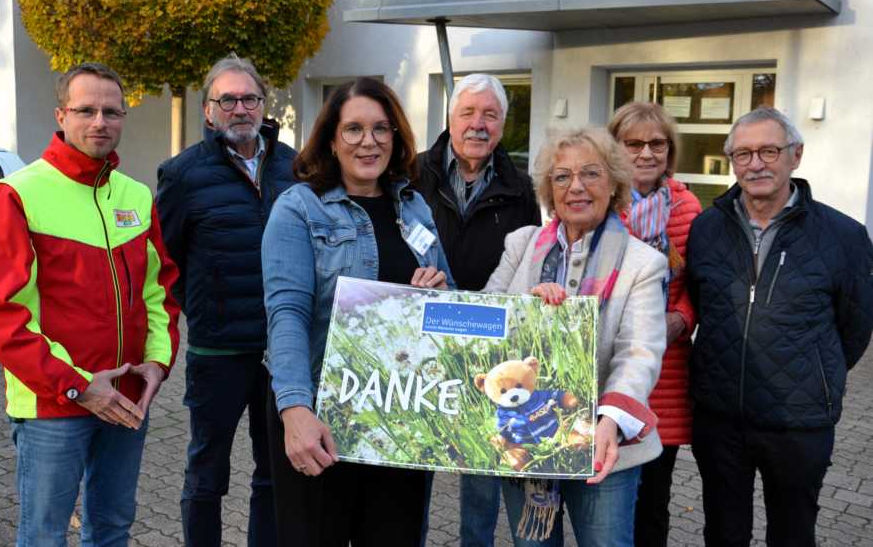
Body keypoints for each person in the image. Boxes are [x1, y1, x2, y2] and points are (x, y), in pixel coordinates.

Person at [0, 62, 180, 546]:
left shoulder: (135, 194)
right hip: (55, 402)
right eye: (86, 110)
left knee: (112, 528)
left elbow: (158, 290)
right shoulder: (17, 194)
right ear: (61, 115)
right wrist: (78, 386)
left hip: (128, 396)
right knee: (45, 535)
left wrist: (157, 363)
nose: (100, 122)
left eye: (112, 111)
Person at [262, 77, 455, 546]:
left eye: (381, 129)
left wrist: (438, 291)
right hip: (322, 415)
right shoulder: (299, 209)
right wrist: (295, 409)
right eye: (353, 129)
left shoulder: (414, 208)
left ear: (396, 136)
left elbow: (451, 299)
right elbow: (286, 312)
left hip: (402, 415)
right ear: (331, 139)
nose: (369, 141)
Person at [686, 106, 873, 547]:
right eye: (743, 154)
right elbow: (701, 303)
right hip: (720, 416)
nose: (756, 164)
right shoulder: (706, 228)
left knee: (792, 534)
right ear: (732, 161)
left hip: (798, 420)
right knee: (723, 533)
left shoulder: (844, 235)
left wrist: (815, 373)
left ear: (796, 155)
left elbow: (856, 326)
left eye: (769, 151)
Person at [485, 127, 667, 547]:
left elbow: (639, 353)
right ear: (549, 189)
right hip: (527, 443)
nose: (576, 187)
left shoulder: (644, 263)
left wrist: (610, 420)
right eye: (562, 176)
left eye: (591, 173)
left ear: (615, 183)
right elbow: (487, 318)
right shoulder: (521, 245)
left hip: (604, 450)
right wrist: (526, 312)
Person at [156, 54, 296, 547]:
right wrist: (205, 310)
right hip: (217, 354)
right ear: (209, 110)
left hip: (282, 354)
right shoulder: (182, 175)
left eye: (250, 98)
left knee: (273, 473)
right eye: (228, 99)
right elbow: (166, 263)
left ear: (263, 104)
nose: (241, 108)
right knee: (206, 473)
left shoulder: (294, 167)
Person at [415, 73, 541, 547]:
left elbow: (529, 258)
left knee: (483, 468)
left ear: (503, 125)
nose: (478, 125)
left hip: (489, 345)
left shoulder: (522, 188)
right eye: (468, 113)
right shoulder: (411, 174)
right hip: (422, 339)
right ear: (450, 119)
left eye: (490, 115)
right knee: (414, 460)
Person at [608, 102, 701, 547]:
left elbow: (699, 284)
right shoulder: (601, 200)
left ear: (669, 150)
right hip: (611, 363)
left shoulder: (686, 206)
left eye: (657, 144)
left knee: (654, 497)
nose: (646, 153)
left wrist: (680, 319)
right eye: (634, 144)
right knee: (609, 492)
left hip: (667, 368)